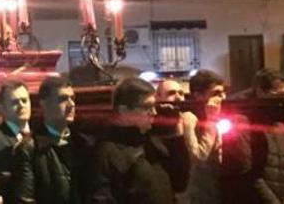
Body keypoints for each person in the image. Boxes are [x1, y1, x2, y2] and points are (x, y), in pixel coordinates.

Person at [90, 78, 189, 203]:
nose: (153, 112)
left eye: (154, 106)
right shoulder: (106, 152)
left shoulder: (154, 142)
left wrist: (175, 136)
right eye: (147, 107)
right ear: (123, 110)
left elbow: (180, 183)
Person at [12, 76, 91, 203]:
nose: (71, 104)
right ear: (44, 104)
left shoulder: (84, 144)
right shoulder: (29, 148)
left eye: (73, 98)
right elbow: (25, 199)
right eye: (63, 99)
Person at [247, 69, 284, 204]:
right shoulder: (248, 125)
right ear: (261, 93)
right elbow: (253, 174)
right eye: (281, 95)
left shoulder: (281, 126)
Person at [180, 69, 225, 204]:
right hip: (198, 194)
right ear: (198, 95)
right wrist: (211, 121)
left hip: (216, 189)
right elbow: (198, 158)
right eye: (216, 93)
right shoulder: (189, 118)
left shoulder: (216, 117)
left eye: (223, 92)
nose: (223, 97)